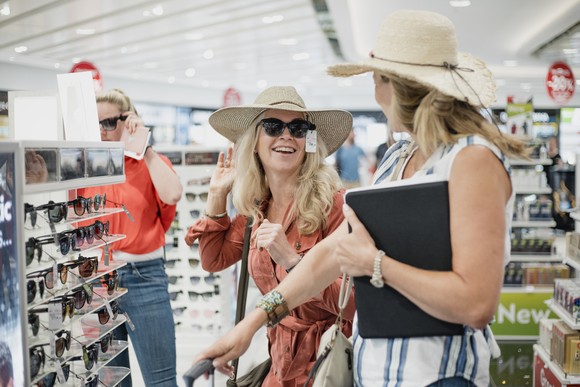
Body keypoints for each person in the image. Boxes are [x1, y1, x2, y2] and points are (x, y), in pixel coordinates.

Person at [194, 10, 529, 387]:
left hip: (438, 375)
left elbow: (476, 305)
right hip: (377, 372)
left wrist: (376, 264)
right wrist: (253, 324)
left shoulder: (471, 160)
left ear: (392, 84)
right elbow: (329, 255)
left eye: (375, 77)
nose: (373, 88)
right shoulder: (398, 158)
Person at [184, 86, 356, 386]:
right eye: (273, 127)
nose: (286, 136)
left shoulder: (333, 204)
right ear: (254, 142)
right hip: (279, 364)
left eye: (298, 128)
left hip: (325, 366)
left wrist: (292, 260)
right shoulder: (257, 209)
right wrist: (216, 194)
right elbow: (213, 260)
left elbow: (352, 302)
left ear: (309, 141)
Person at [78, 89, 182, 387]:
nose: (101, 132)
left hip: (144, 277)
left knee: (161, 381)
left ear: (129, 120)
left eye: (109, 123)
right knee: (111, 383)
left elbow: (173, 194)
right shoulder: (84, 168)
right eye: (95, 124)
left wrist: (143, 147)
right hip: (96, 282)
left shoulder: (149, 163)